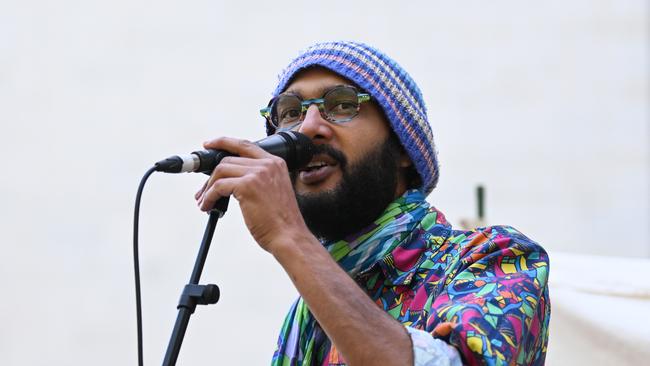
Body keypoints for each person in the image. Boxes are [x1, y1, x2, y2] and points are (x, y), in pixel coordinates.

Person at [195, 41, 550, 366]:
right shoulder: (311, 311)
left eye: (343, 104)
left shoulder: (495, 257)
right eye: (290, 112)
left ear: (403, 148)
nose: (308, 127)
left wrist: (289, 235)